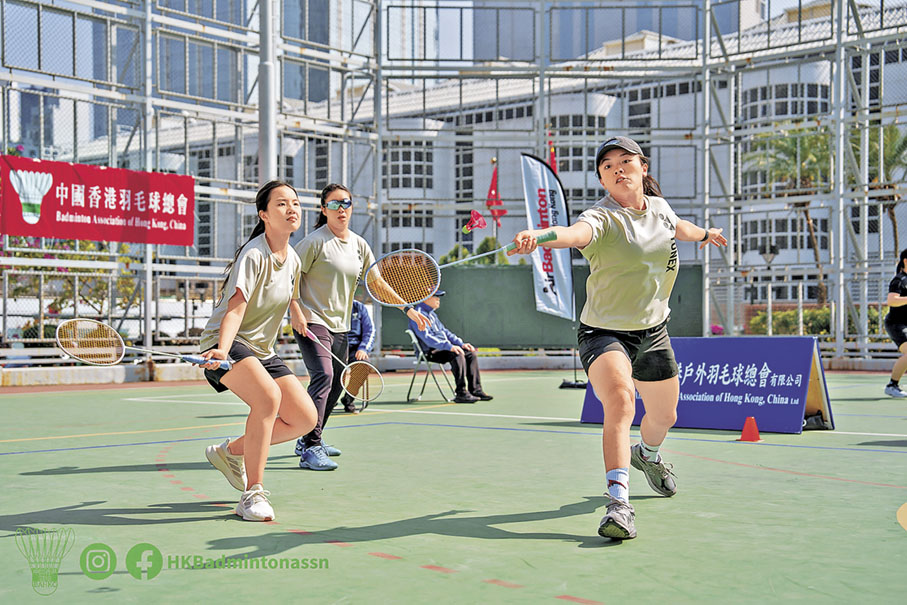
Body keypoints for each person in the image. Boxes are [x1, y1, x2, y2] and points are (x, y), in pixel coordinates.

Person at [508, 135, 727, 540]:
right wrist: (539, 236)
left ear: (643, 168)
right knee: (622, 402)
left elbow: (679, 227)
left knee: (664, 417)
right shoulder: (601, 218)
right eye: (607, 166)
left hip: (653, 331)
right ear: (602, 180)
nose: (617, 169)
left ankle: (648, 455)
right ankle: (619, 503)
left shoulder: (659, 208)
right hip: (604, 332)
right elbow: (573, 234)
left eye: (625, 161)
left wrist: (705, 234)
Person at [198, 180, 318, 522]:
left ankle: (229, 452)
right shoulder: (254, 254)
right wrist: (222, 350)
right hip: (226, 342)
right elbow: (236, 308)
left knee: (305, 418)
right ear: (264, 214)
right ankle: (253, 493)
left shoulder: (293, 259)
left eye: (295, 202)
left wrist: (298, 313)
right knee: (267, 399)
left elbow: (287, 295)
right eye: (281, 203)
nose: (292, 208)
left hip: (262, 350)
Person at [291, 183, 428, 470]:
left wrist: (407, 308)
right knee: (324, 376)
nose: (341, 209)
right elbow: (288, 276)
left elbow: (377, 283)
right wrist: (295, 311)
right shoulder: (314, 242)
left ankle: (309, 437)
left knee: (338, 382)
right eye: (334, 204)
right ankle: (311, 448)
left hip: (341, 326)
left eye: (346, 203)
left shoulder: (359, 244)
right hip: (312, 321)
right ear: (323, 209)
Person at [408, 290, 493, 404]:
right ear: (425, 298)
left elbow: (445, 332)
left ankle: (475, 390)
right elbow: (427, 338)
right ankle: (461, 393)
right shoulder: (417, 314)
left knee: (470, 353)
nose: (438, 299)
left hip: (443, 348)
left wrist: (461, 344)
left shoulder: (432, 314)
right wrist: (449, 347)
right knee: (457, 353)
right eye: (435, 296)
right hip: (430, 352)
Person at [338, 299, 375, 413]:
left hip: (355, 348)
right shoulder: (330, 304)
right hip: (335, 347)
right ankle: (330, 398)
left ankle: (349, 397)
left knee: (363, 365)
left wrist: (363, 348)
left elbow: (370, 330)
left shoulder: (359, 307)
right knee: (331, 369)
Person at [884, 248, 907, 398]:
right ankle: (892, 385)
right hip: (897, 324)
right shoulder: (899, 280)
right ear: (906, 261)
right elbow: (891, 300)